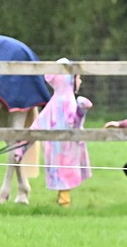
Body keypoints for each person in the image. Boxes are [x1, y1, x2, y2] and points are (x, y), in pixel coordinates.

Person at [23, 60, 92, 207]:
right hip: (66, 149)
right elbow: (74, 123)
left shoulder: (55, 101)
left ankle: (63, 199)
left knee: (62, 173)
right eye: (78, 78)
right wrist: (82, 109)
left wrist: (23, 143)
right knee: (66, 172)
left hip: (54, 149)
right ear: (69, 80)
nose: (80, 81)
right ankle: (64, 202)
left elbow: (38, 124)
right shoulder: (68, 101)